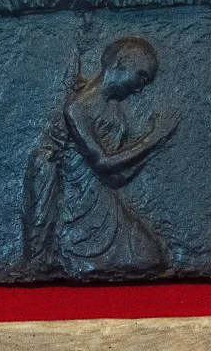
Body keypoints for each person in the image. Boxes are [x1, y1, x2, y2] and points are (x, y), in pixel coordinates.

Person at [22, 37, 178, 275]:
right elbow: (103, 162)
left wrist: (154, 143)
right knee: (142, 258)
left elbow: (117, 177)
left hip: (99, 196)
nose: (140, 88)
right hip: (75, 199)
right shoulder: (78, 107)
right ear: (120, 64)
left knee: (150, 256)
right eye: (141, 76)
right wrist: (154, 138)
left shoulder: (115, 112)